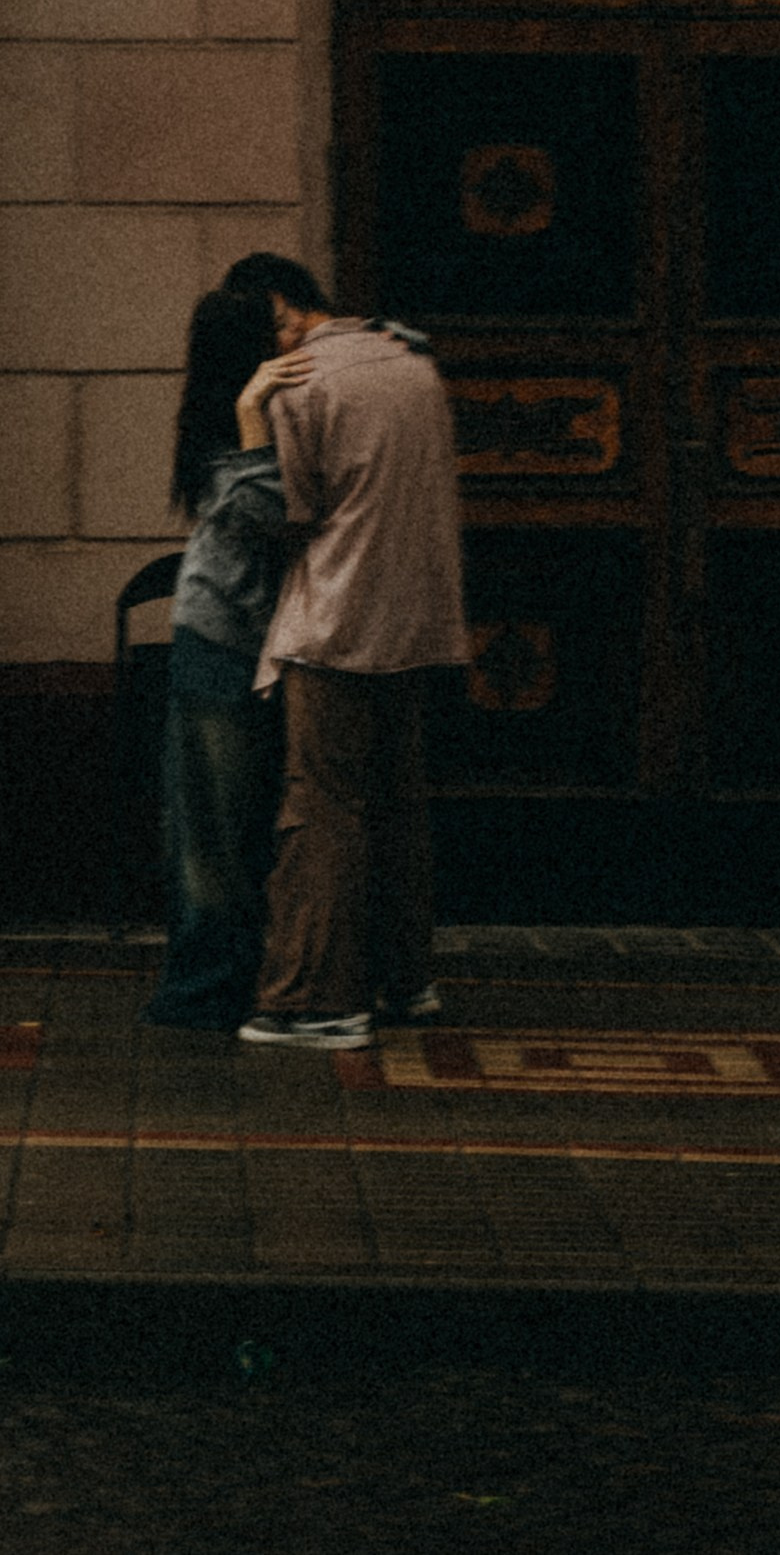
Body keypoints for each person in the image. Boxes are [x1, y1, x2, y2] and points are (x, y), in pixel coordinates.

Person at [234, 260, 469, 1053]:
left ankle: (316, 999)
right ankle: (405, 980)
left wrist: (247, 417)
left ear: (281, 312)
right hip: (414, 620)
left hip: (333, 624)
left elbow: (278, 517)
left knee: (320, 811)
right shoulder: (412, 363)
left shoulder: (298, 383)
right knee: (396, 806)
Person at [138, 261, 313, 1032]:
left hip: (273, 638)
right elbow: (257, 513)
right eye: (273, 326)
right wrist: (252, 417)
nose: (292, 335)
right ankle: (205, 988)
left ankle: (248, 975)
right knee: (212, 825)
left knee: (255, 818)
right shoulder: (228, 420)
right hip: (222, 640)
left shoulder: (287, 405)